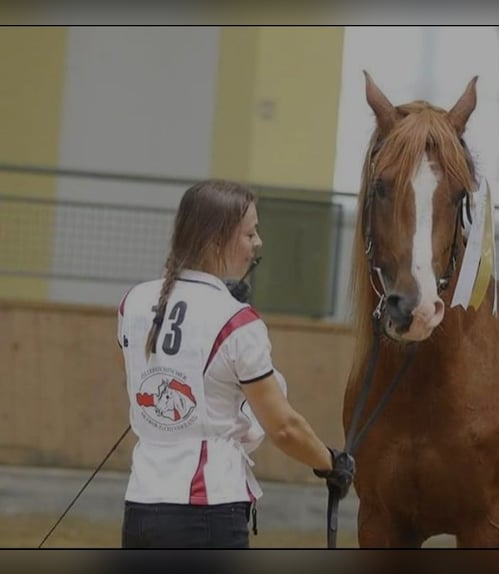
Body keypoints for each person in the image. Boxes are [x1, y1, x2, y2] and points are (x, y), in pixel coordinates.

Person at [116, 179, 354, 548]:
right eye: (249, 233)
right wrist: (329, 462)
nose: (257, 243)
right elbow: (284, 428)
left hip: (141, 509)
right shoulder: (236, 321)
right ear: (216, 241)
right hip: (207, 510)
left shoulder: (132, 301)